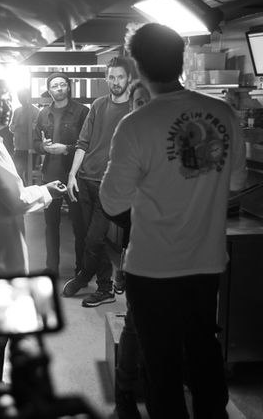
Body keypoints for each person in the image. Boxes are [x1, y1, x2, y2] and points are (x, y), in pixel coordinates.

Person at [100, 23, 247, 419]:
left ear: (137, 65)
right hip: (205, 263)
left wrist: (150, 210)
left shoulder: (135, 125)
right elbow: (236, 183)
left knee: (161, 364)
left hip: (152, 268)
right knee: (203, 351)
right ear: (181, 59)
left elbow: (111, 200)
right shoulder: (223, 113)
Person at [0, 79, 67, 386]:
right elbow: (15, 199)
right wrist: (45, 191)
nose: (7, 108)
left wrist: (41, 189)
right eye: (0, 103)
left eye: (8, 101)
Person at [61, 56, 134, 307]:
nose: (116, 82)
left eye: (120, 77)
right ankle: (104, 287)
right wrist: (72, 175)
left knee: (94, 239)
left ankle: (84, 276)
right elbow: (83, 143)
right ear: (106, 79)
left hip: (109, 185)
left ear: (129, 78)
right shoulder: (98, 105)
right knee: (85, 237)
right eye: (111, 77)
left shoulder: (135, 109)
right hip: (84, 180)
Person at [110, 79, 150, 419]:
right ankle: (125, 393)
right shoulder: (129, 140)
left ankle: (157, 387)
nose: (144, 105)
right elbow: (113, 201)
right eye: (138, 100)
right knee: (136, 324)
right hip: (142, 249)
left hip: (180, 254)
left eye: (149, 99)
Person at [32, 72, 89, 277]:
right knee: (51, 225)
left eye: (62, 84)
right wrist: (44, 147)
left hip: (74, 176)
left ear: (68, 87)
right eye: (55, 86)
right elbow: (35, 142)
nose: (59, 88)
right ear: (49, 90)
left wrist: (66, 148)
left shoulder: (82, 112)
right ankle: (51, 267)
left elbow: (87, 144)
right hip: (50, 176)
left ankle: (81, 270)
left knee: (79, 226)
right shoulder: (43, 114)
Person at [9, 88, 40, 185]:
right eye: (19, 96)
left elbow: (35, 128)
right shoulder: (17, 111)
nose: (21, 99)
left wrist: (21, 127)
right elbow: (11, 127)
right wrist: (17, 127)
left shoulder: (35, 111)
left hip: (30, 149)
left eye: (23, 96)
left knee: (29, 175)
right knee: (16, 173)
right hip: (18, 148)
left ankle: (30, 191)